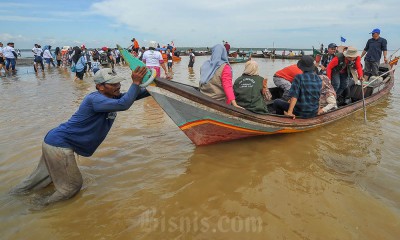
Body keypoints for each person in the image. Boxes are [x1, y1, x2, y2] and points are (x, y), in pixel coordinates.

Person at [9, 67, 150, 205]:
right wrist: (136, 83)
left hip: (55, 142)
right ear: (100, 87)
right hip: (59, 144)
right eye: (113, 84)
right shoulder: (95, 99)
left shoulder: (111, 97)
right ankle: (35, 208)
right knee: (71, 187)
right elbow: (124, 104)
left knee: (39, 180)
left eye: (118, 83)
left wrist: (152, 87)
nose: (118, 86)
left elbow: (131, 96)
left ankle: (9, 199)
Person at [199, 44, 242, 108]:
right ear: (224, 53)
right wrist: (234, 104)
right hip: (219, 100)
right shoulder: (225, 67)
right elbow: (227, 86)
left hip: (203, 95)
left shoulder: (205, 64)